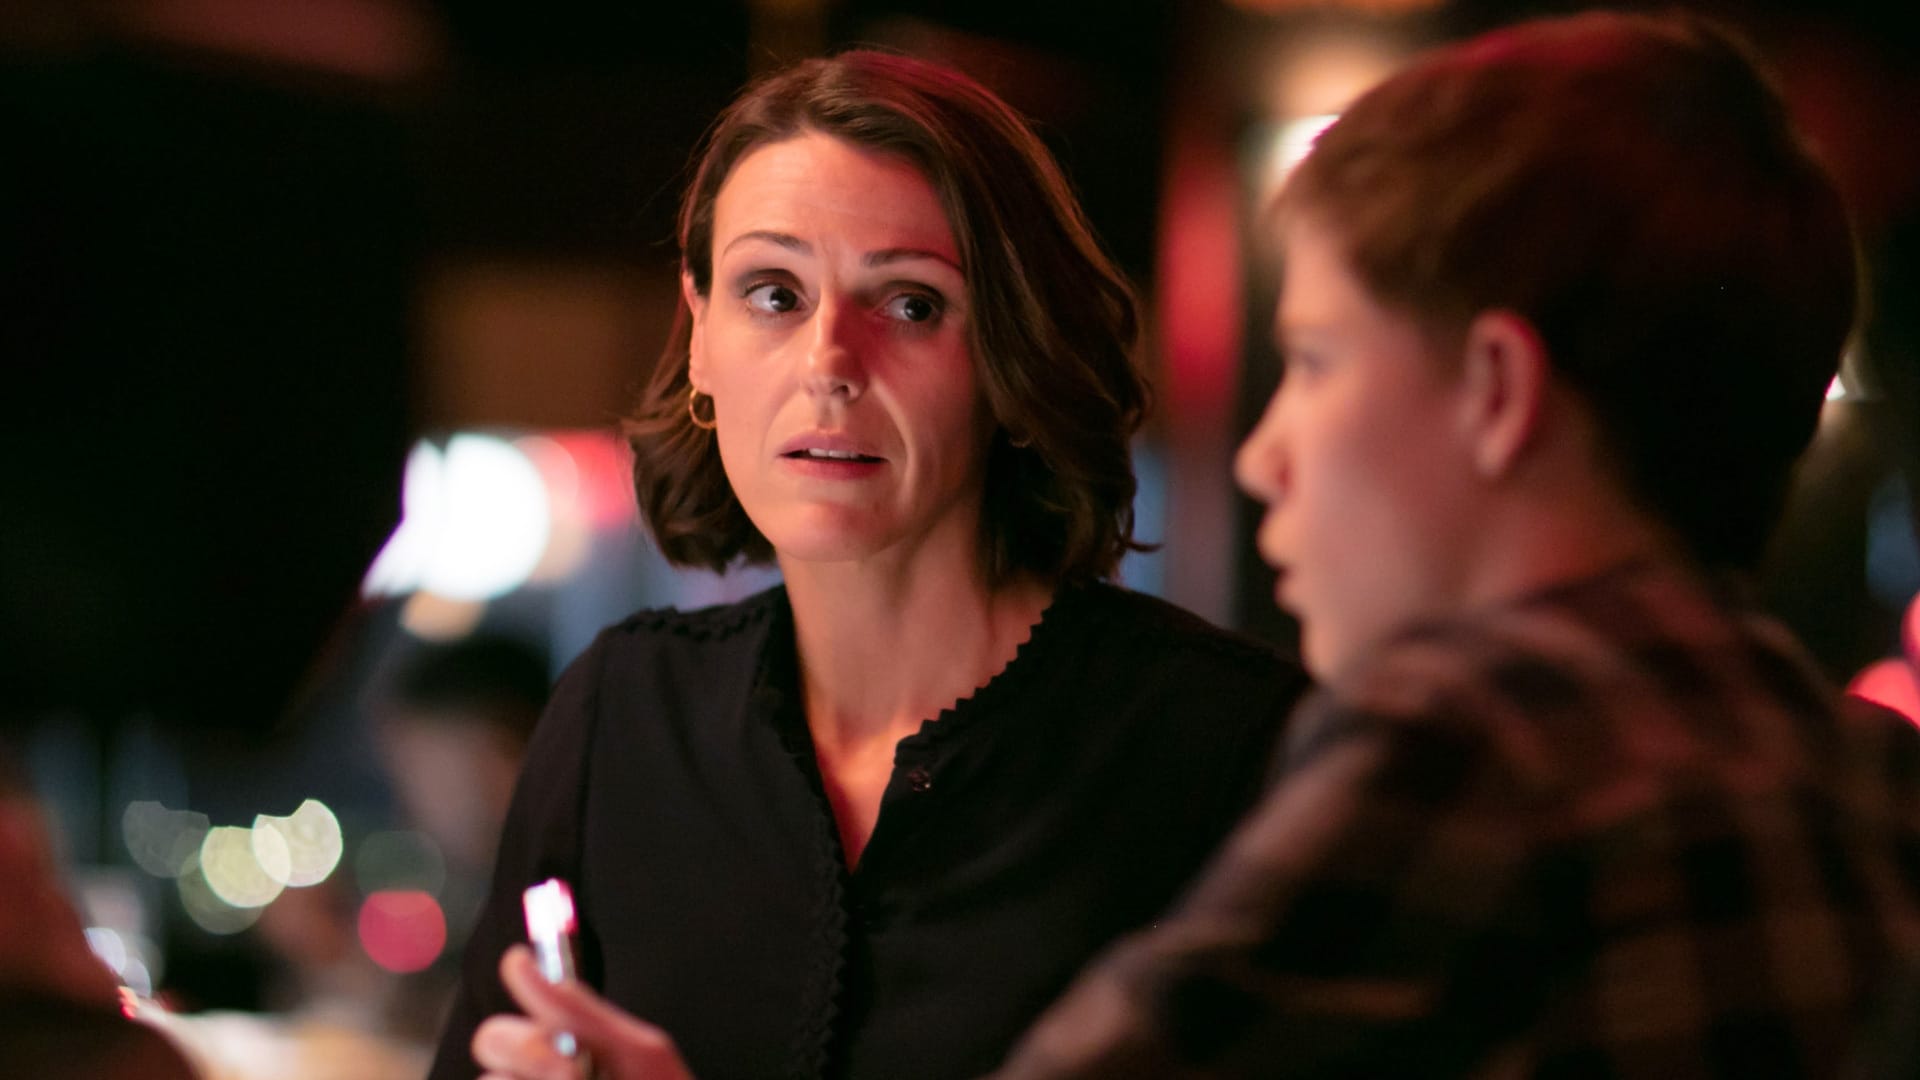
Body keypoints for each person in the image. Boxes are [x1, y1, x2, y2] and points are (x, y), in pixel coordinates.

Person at [990, 11, 1920, 1077]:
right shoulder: (1864, 771)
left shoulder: (1480, 734)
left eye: (1316, 360)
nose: (1261, 458)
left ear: (1496, 392)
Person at [428, 50, 1306, 1080]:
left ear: (1013, 352)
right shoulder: (620, 715)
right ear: (700, 333)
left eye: (912, 304)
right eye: (773, 294)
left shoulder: (1227, 745)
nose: (828, 365)